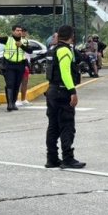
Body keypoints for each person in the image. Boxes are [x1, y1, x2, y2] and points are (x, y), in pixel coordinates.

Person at [46, 24, 84, 169]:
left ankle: (52, 159)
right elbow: (65, 73)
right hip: (62, 92)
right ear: (71, 36)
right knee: (67, 126)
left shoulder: (53, 49)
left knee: (53, 126)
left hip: (52, 91)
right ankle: (68, 158)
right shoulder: (64, 50)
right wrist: (72, 91)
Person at [2, 25, 28, 111]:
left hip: (20, 65)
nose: (19, 32)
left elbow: (30, 50)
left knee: (17, 84)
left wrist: (21, 45)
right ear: (13, 31)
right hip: (9, 65)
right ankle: (9, 104)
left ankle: (13, 103)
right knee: (10, 84)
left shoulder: (24, 41)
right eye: (17, 30)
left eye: (20, 30)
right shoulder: (8, 39)